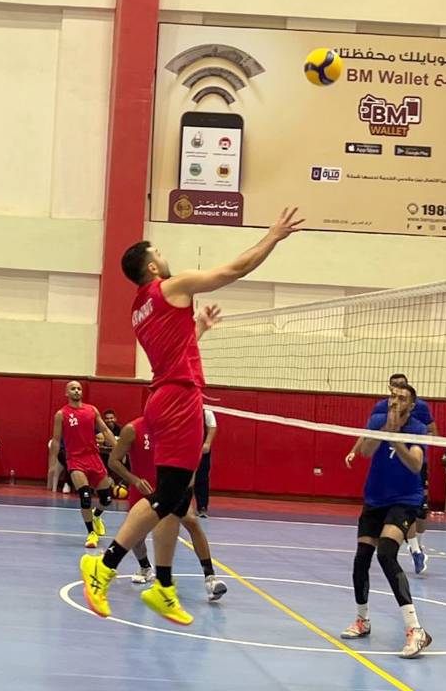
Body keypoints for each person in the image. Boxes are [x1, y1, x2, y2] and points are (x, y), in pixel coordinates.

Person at [80, 207, 303, 626]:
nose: (165, 257)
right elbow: (236, 269)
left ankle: (163, 586)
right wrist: (273, 236)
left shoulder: (139, 307)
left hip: (162, 399)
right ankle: (104, 566)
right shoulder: (173, 285)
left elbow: (174, 352)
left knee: (176, 499)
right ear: (151, 266)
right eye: (159, 253)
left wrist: (197, 328)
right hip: (180, 402)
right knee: (168, 498)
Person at [342, 383, 433, 658]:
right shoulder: (377, 420)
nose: (395, 401)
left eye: (401, 398)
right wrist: (386, 430)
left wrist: (396, 441)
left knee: (386, 553)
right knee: (361, 558)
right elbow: (367, 451)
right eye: (393, 396)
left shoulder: (418, 429)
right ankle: (362, 620)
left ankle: (415, 630)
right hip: (375, 498)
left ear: (411, 405)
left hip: (404, 500)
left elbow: (416, 464)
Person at [109, 415, 227, 602]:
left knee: (191, 522)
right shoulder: (132, 429)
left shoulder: (176, 429)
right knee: (136, 538)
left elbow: (191, 459)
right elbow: (113, 460)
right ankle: (145, 567)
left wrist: (187, 485)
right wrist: (135, 480)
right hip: (142, 492)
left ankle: (210, 578)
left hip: (170, 490)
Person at [371, 374, 435, 573]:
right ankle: (415, 550)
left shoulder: (420, 407)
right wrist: (355, 451)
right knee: (399, 506)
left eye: (401, 388)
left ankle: (417, 547)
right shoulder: (381, 407)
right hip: (390, 464)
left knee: (419, 510)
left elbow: (432, 431)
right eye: (394, 389)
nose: (396, 394)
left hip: (414, 461)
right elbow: (369, 434)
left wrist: (419, 444)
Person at [48, 381, 117, 548]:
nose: (77, 391)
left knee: (107, 498)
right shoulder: (61, 414)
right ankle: (91, 533)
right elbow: (56, 440)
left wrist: (117, 447)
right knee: (85, 496)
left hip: (94, 457)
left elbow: (105, 431)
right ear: (67, 393)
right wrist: (52, 464)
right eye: (73, 388)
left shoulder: (91, 410)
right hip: (75, 459)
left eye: (79, 388)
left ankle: (97, 515)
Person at [194, 409, 217, 517]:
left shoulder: (206, 412)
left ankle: (202, 507)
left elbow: (212, 426)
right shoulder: (181, 410)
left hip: (201, 449)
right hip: (184, 447)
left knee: (202, 477)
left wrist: (207, 443)